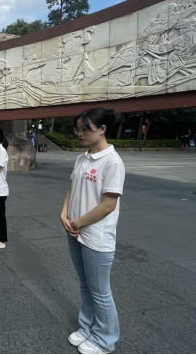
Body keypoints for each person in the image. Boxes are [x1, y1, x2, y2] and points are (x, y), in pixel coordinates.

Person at [60, 107, 125, 355]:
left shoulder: (112, 162)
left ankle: (105, 339)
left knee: (100, 291)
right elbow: (72, 188)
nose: (80, 134)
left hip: (96, 236)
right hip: (75, 230)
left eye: (86, 129)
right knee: (85, 285)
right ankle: (87, 327)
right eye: (78, 129)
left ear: (102, 129)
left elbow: (108, 205)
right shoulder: (82, 158)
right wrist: (64, 213)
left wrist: (77, 223)